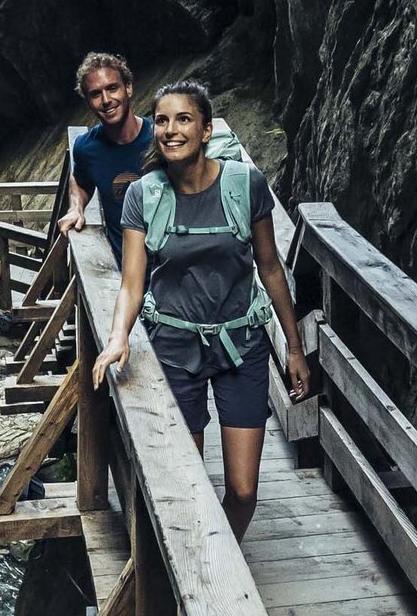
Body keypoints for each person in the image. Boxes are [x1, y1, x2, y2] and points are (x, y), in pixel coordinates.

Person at [90, 79, 310, 539]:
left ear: (207, 130)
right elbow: (132, 284)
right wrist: (117, 339)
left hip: (241, 346)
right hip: (174, 347)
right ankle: (201, 572)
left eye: (184, 119)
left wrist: (293, 348)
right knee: (188, 486)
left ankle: (221, 556)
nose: (171, 130)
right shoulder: (143, 195)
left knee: (244, 490)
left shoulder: (244, 184)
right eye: (164, 121)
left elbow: (270, 268)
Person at [55, 52, 152, 263]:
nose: (106, 100)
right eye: (96, 94)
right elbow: (80, 180)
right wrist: (75, 208)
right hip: (124, 268)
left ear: (128, 88)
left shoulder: (160, 139)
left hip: (170, 269)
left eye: (112, 88)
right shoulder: (86, 148)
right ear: (88, 102)